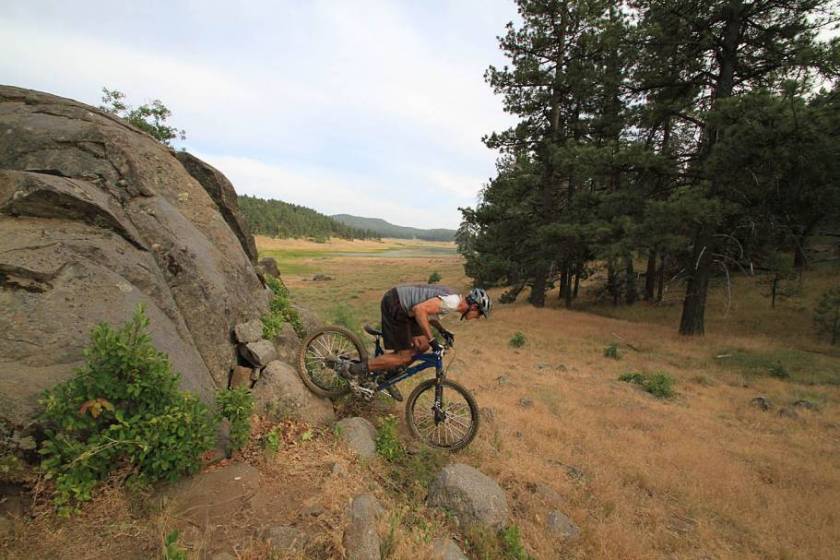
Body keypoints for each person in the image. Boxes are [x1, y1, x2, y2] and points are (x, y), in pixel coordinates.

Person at [339, 284, 491, 399]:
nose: (477, 318)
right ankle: (353, 369)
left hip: (407, 309)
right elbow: (420, 310)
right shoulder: (452, 302)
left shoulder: (453, 301)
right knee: (404, 356)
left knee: (422, 345)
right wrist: (433, 340)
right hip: (396, 303)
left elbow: (429, 314)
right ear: (474, 306)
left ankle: (388, 375)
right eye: (479, 314)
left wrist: (442, 331)